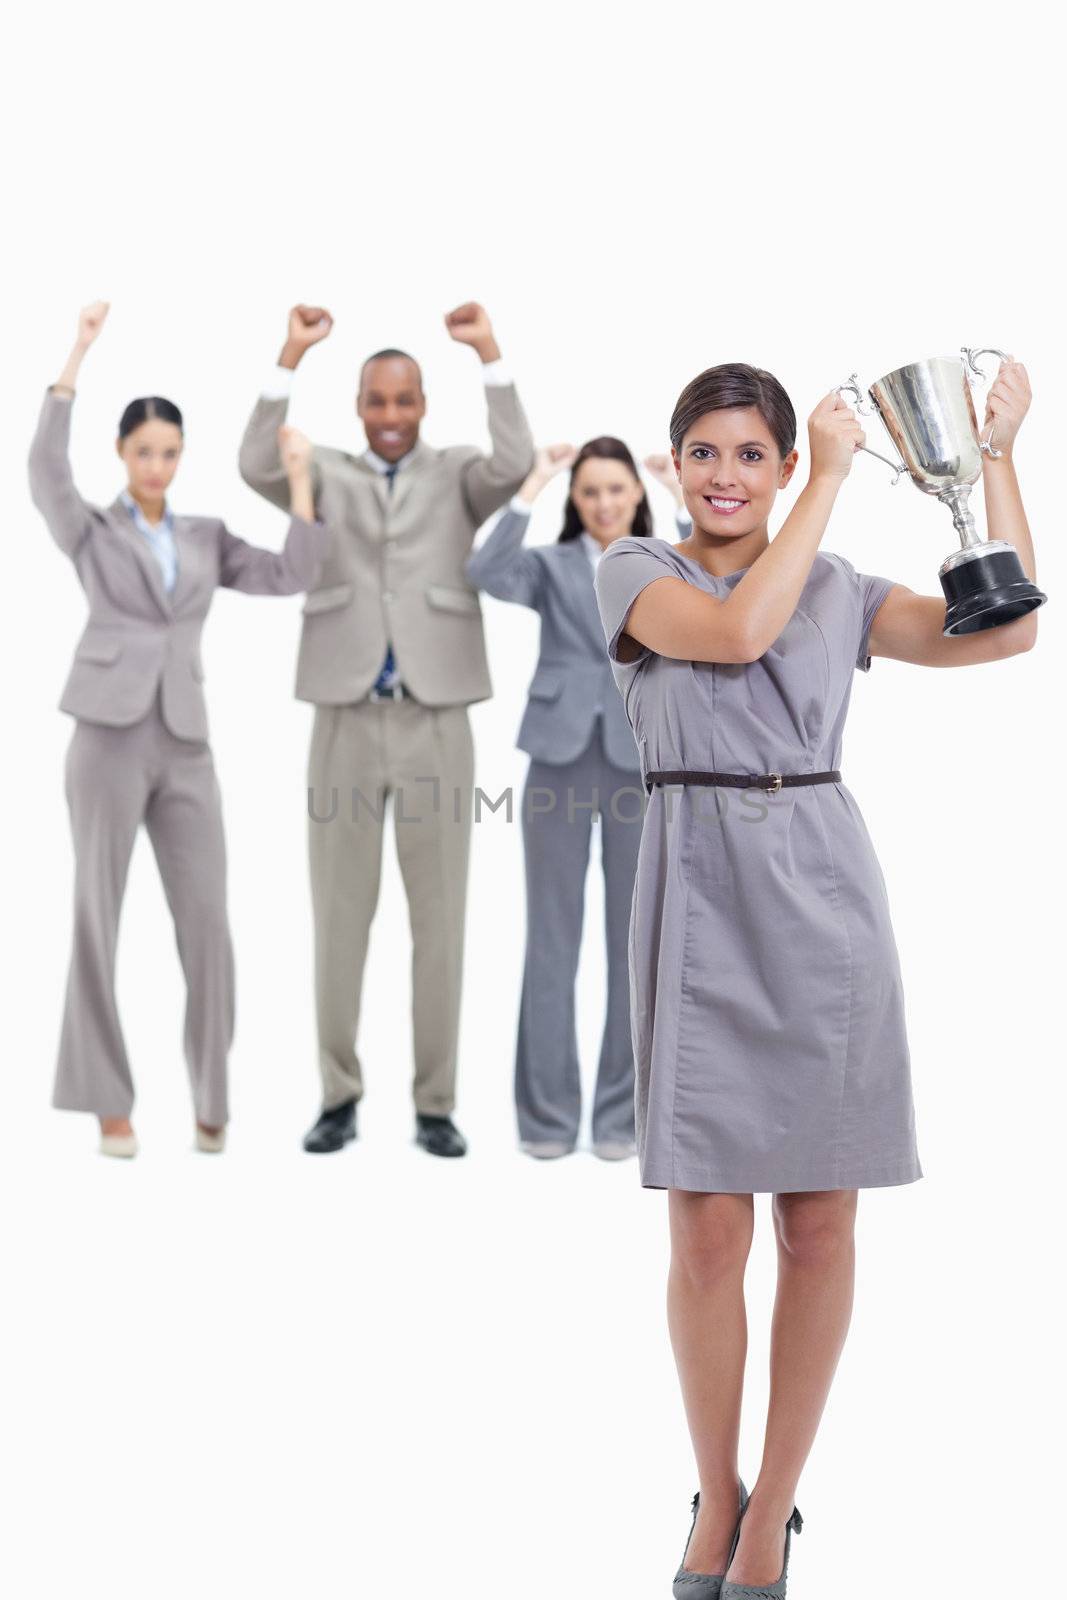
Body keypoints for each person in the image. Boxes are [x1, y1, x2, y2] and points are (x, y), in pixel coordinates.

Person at [592, 360, 1038, 1596]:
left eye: (752, 454)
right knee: (702, 1234)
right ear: (672, 463)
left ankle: (771, 1509)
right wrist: (831, 483)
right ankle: (714, 1491)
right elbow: (733, 637)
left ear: (779, 464)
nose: (725, 476)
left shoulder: (833, 588)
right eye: (703, 453)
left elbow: (1006, 628)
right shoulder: (634, 572)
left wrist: (991, 459)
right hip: (695, 899)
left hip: (822, 901)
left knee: (819, 1221)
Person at [29, 301, 329, 1159]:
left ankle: (212, 1094)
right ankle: (106, 1102)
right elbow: (44, 471)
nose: (156, 465)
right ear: (121, 455)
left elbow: (288, 576)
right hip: (105, 736)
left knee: (207, 922)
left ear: (179, 456)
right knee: (98, 912)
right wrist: (76, 355)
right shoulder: (89, 528)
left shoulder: (203, 535)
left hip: (186, 739)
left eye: (168, 452)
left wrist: (299, 482)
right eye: (142, 452)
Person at [238, 302, 534, 1157]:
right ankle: (338, 1093)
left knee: (439, 921)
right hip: (342, 715)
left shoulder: (458, 474)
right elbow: (254, 460)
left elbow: (515, 462)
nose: (392, 417)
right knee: (339, 915)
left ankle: (435, 1102)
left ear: (423, 406)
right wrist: (288, 356)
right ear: (360, 406)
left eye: (406, 401)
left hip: (438, 719)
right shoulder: (320, 470)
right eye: (378, 401)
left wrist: (489, 355)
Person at [465, 438, 689, 1160]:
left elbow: (720, 582)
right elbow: (485, 569)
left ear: (635, 494)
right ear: (575, 499)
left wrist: (681, 497)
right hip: (556, 762)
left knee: (634, 945)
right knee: (551, 942)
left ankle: (621, 1117)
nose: (602, 503)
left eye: (615, 491)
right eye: (589, 492)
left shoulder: (661, 562)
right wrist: (530, 482)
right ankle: (545, 1118)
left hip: (638, 761)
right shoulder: (551, 566)